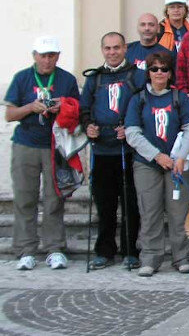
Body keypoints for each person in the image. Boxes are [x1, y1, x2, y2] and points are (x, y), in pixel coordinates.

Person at [4, 36, 80, 270]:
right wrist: (31, 107)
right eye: (43, 55)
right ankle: (26, 249)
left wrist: (62, 108)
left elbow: (77, 111)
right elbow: (9, 114)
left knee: (54, 199)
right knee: (25, 198)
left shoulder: (66, 79)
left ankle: (54, 248)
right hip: (26, 143)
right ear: (34, 55)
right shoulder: (22, 77)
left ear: (58, 56)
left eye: (51, 56)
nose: (47, 60)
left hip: (54, 145)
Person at [124, 51, 189, 276]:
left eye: (164, 69)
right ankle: (150, 257)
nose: (159, 73)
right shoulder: (138, 99)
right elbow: (132, 133)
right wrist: (157, 156)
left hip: (176, 164)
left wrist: (180, 156)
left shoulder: (180, 98)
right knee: (150, 211)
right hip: (148, 164)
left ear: (170, 73)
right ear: (148, 73)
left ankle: (181, 257)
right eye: (154, 69)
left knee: (179, 212)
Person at [80, 32, 145, 270]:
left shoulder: (137, 75)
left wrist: (130, 126)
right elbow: (83, 107)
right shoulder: (94, 78)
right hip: (102, 150)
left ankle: (130, 250)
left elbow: (144, 105)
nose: (112, 52)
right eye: (107, 48)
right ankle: (104, 250)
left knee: (130, 204)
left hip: (127, 150)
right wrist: (88, 126)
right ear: (102, 50)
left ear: (125, 48)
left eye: (116, 47)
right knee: (105, 205)